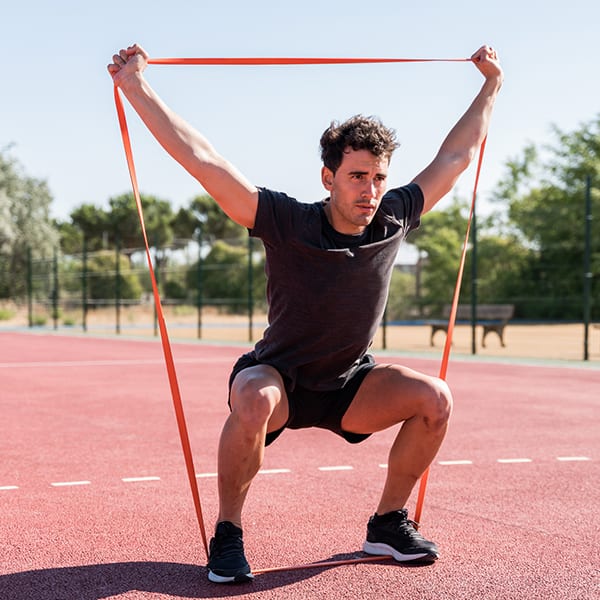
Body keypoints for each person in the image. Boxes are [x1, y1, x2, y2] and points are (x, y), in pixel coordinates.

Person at [108, 44, 503, 583]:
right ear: (329, 177)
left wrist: (491, 86)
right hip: (281, 379)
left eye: (378, 177)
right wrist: (136, 87)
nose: (370, 190)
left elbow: (455, 158)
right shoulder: (286, 221)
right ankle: (229, 534)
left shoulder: (393, 218)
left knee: (435, 399)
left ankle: (386, 524)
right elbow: (204, 161)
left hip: (349, 386)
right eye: (358, 176)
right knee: (253, 397)